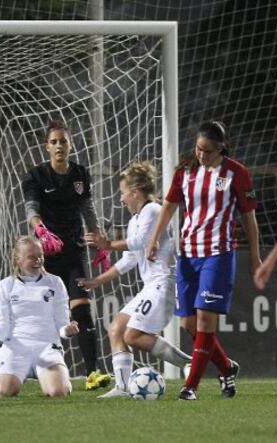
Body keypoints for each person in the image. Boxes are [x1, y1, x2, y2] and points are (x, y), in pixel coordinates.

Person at [147, 121, 261, 400]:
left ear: (221, 147)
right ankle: (226, 367)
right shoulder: (184, 171)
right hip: (188, 255)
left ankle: (190, 387)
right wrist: (154, 238)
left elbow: (249, 216)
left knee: (206, 320)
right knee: (189, 324)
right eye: (199, 149)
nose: (202, 155)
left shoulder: (237, 173)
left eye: (208, 151)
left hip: (218, 254)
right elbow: (170, 205)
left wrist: (256, 257)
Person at [77, 161, 192, 398]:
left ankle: (187, 364)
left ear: (135, 191)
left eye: (122, 193)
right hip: (150, 286)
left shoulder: (153, 211)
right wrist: (98, 280)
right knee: (117, 329)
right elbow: (130, 259)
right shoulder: (134, 220)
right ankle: (121, 388)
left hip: (163, 283)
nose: (121, 199)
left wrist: (107, 244)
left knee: (132, 335)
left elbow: (140, 242)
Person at [21, 119, 111, 390]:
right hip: (45, 255)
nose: (59, 145)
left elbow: (87, 208)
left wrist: (99, 241)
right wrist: (41, 232)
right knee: (39, 314)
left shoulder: (80, 173)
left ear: (70, 144)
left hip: (74, 252)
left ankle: (92, 373)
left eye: (63, 141)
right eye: (54, 142)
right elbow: (31, 211)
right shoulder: (36, 176)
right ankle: (24, 365)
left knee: (82, 310)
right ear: (46, 147)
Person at [0, 236, 79, 398]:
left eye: (40, 255)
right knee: (3, 392)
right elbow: (3, 333)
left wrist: (67, 331)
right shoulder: (5, 286)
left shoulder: (55, 283)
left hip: (47, 347)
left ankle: (61, 381)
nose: (38, 260)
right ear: (18, 260)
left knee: (58, 392)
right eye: (32, 257)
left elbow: (62, 326)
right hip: (16, 349)